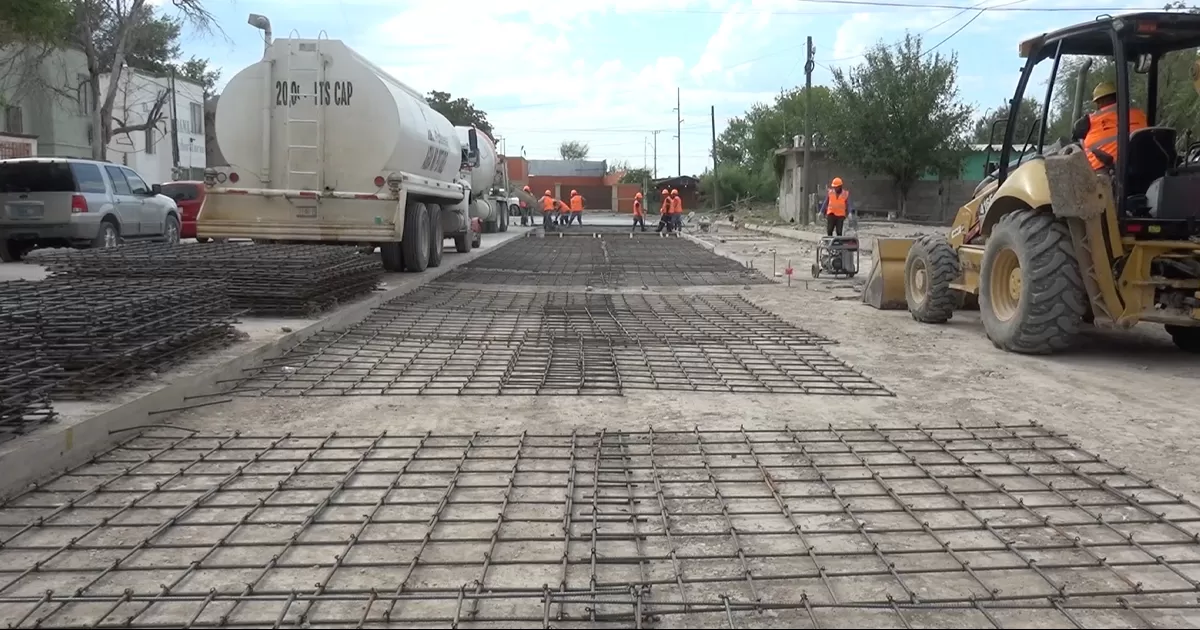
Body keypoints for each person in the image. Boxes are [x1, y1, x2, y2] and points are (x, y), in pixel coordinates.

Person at [1072, 81, 1148, 172]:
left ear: (1099, 102)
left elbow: (1074, 136)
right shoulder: (1139, 113)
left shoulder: (1088, 121)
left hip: (1104, 174)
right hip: (1144, 167)